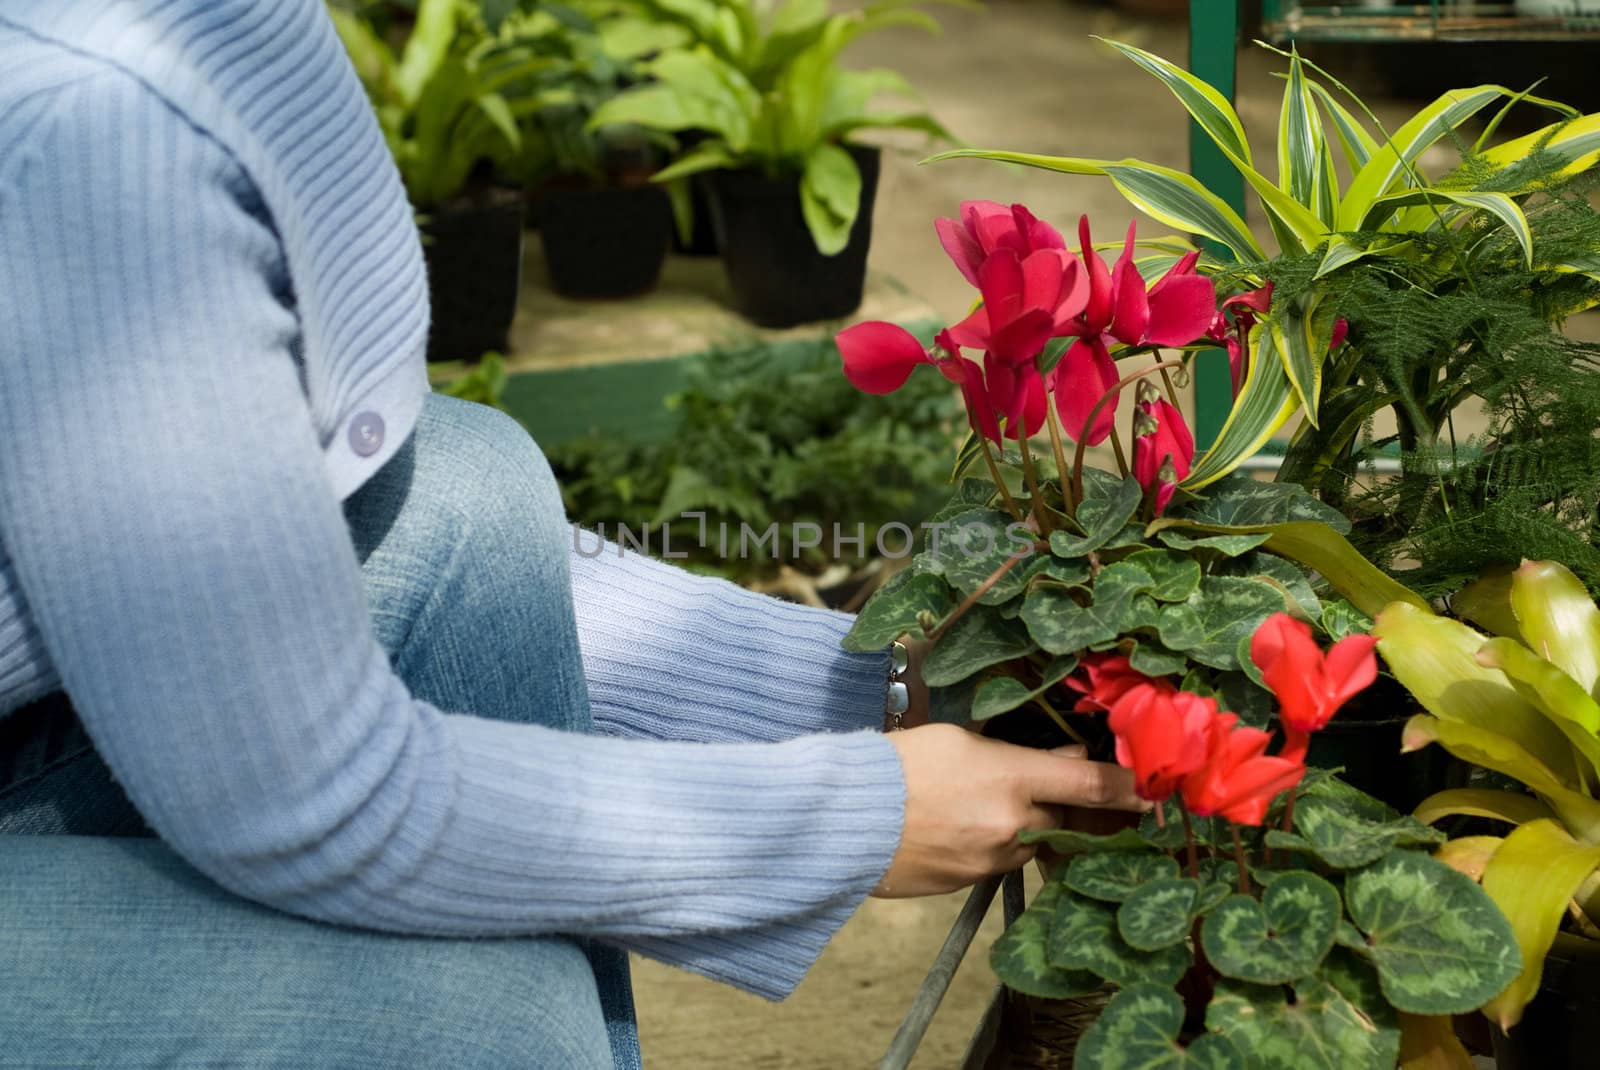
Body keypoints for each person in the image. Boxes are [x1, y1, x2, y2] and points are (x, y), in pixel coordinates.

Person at [0, 2, 1144, 1066]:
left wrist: (896, 694)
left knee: (470, 481)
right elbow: (300, 798)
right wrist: (847, 816)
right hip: (210, 780)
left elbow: (328, 500)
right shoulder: (92, 128)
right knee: (499, 1019)